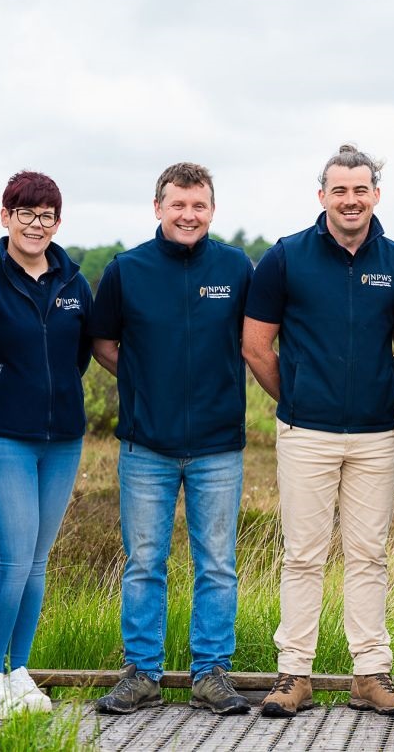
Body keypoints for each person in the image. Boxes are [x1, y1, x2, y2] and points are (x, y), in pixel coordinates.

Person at [242, 146, 394, 718]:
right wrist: (295, 396)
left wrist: (381, 386)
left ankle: (370, 675)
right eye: (339, 190)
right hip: (305, 432)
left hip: (375, 436)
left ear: (376, 195)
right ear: (322, 196)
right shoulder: (285, 258)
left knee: (369, 555)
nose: (350, 200)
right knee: (303, 556)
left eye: (360, 190)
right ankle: (294, 675)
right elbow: (256, 344)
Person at [86, 162, 254, 717]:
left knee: (217, 565)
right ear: (158, 207)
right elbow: (105, 343)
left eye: (198, 205)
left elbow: (253, 341)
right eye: (178, 204)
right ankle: (142, 673)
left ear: (212, 209)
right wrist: (143, 384)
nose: (188, 214)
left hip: (217, 446)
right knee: (144, 563)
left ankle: (211, 674)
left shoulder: (236, 268)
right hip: (145, 446)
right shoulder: (126, 270)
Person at [0, 171, 94, 719]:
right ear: (5, 217)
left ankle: (19, 671)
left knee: (36, 562)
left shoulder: (74, 283)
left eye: (47, 214)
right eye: (25, 213)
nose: (36, 224)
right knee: (8, 560)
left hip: (61, 442)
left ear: (59, 221)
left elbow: (75, 358)